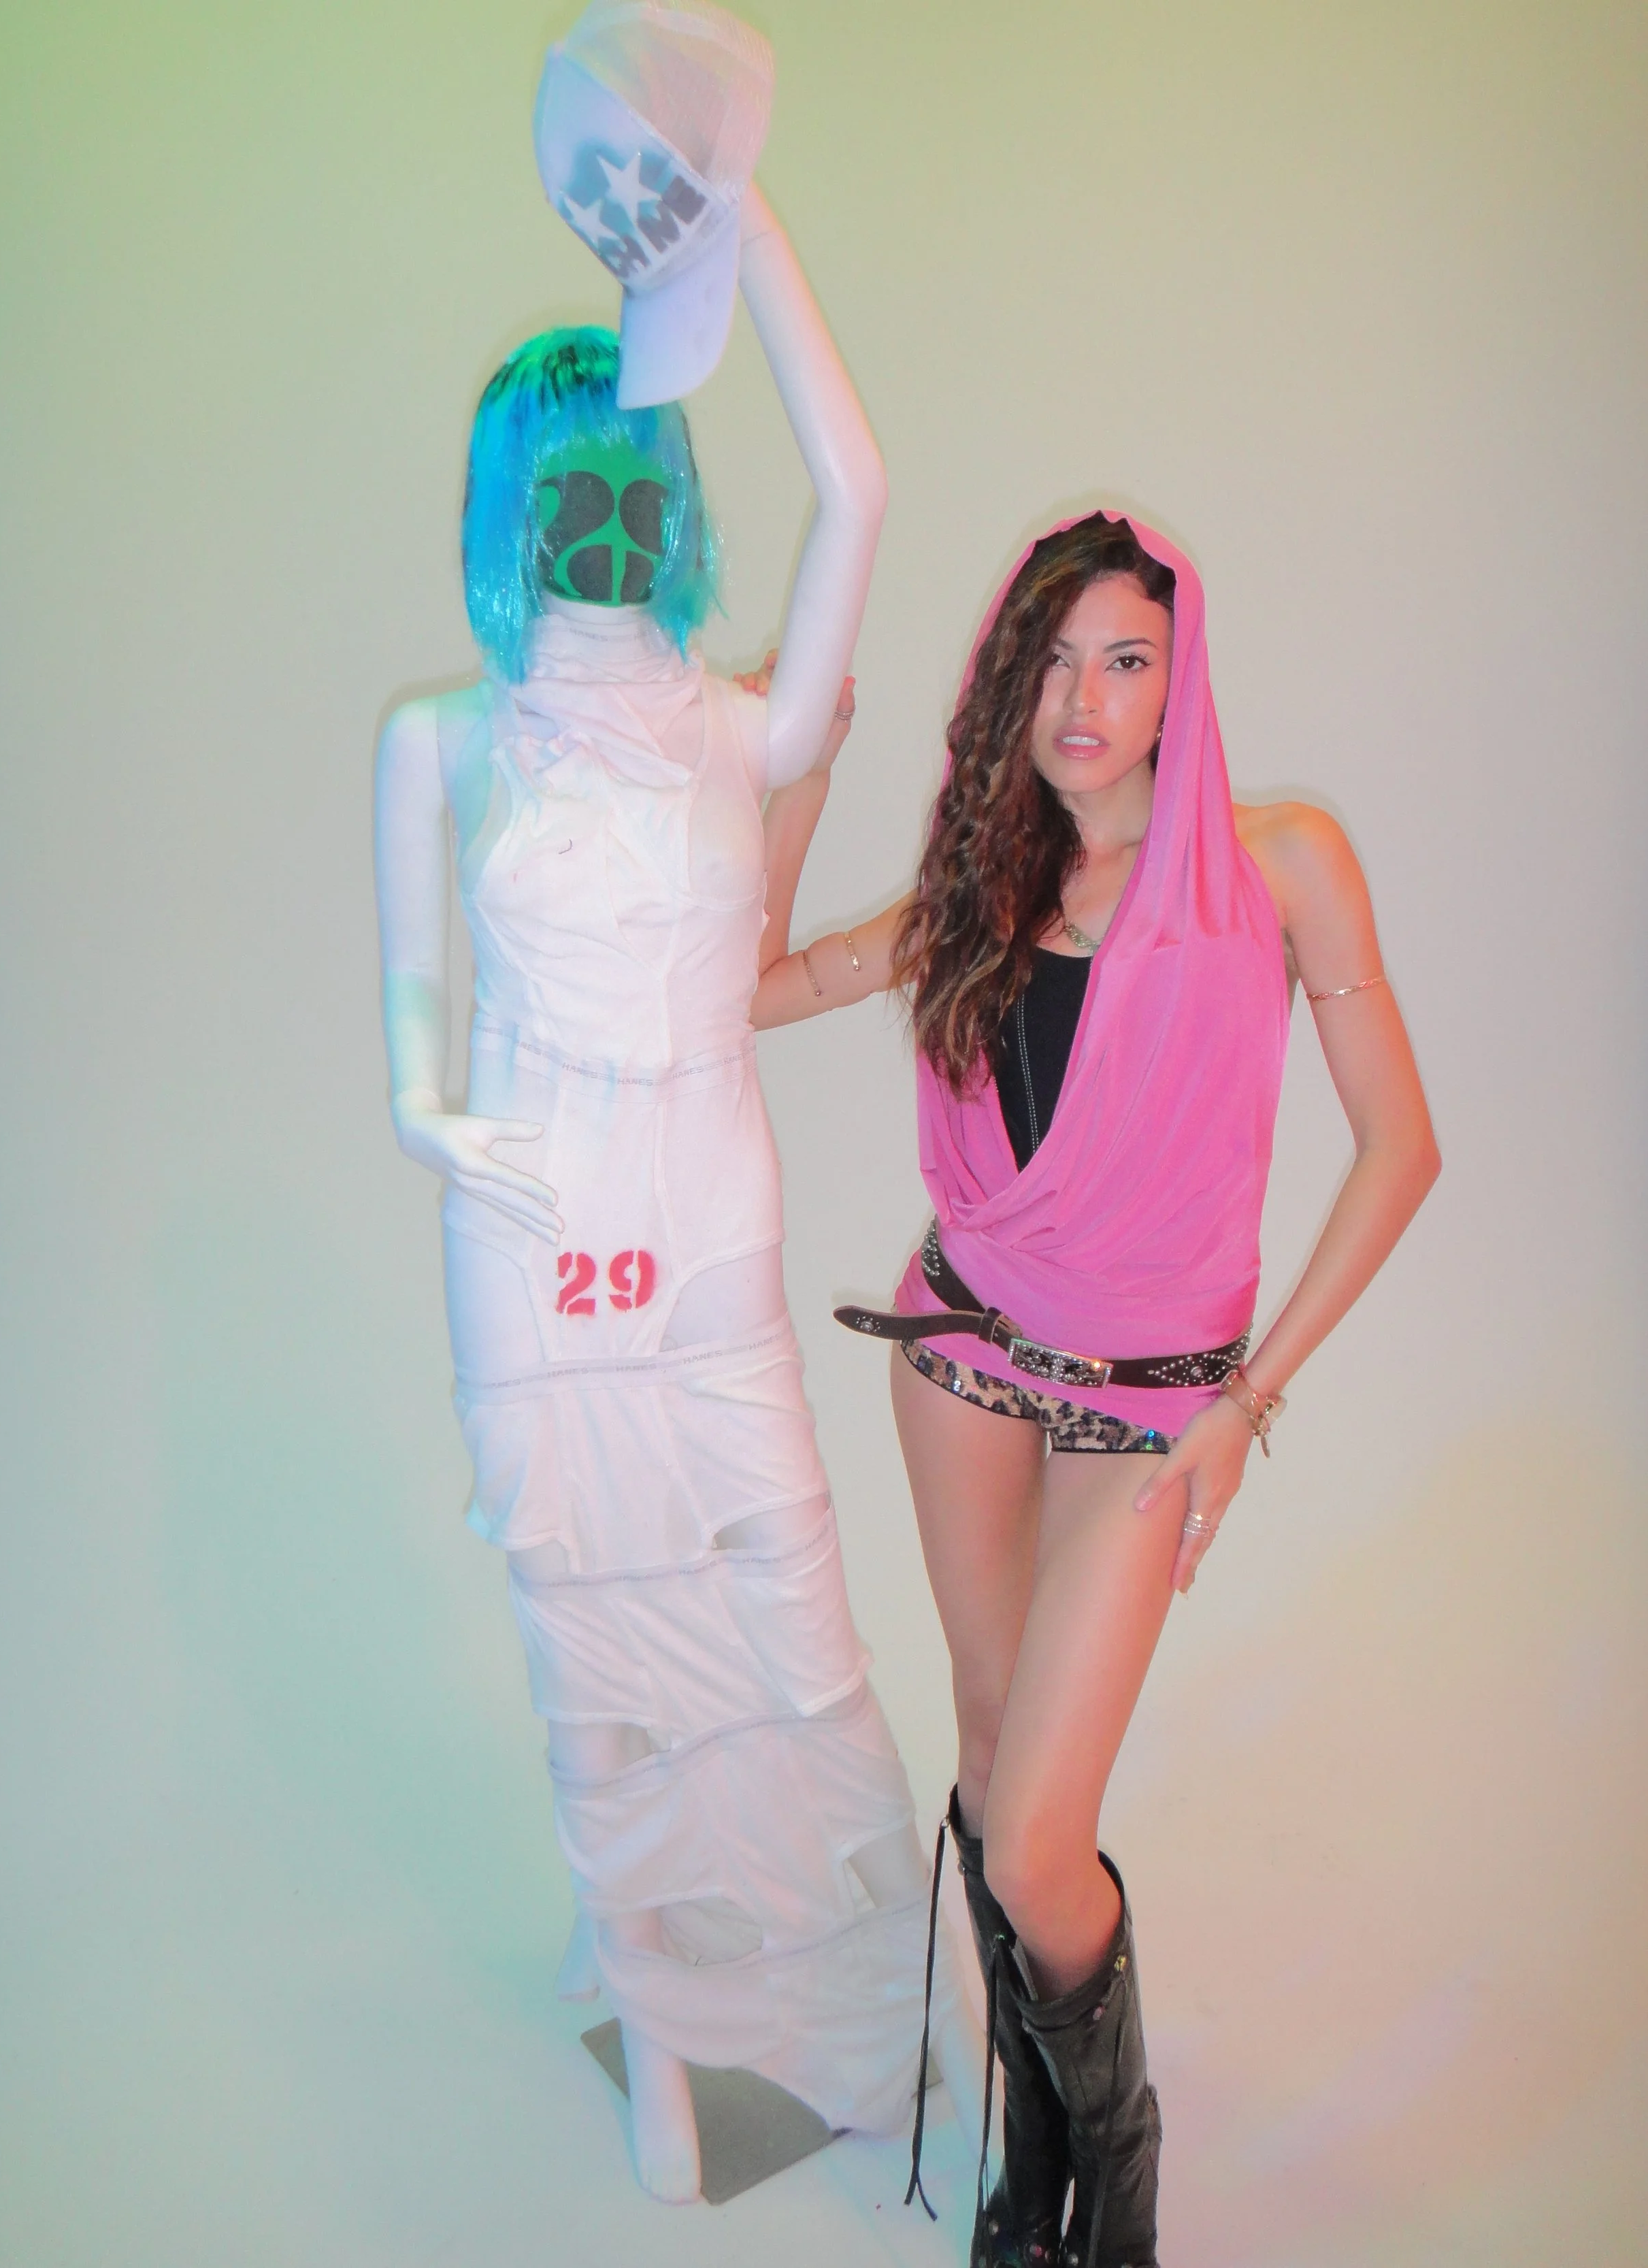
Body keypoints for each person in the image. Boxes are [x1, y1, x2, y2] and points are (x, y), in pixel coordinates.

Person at [373, 171, 980, 2207]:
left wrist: (748, 236)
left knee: (791, 1629)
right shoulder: (443, 743)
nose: (602, 524)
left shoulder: (743, 731)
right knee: (594, 1646)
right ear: (507, 514)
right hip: (535, 1228)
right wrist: (433, 1117)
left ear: (675, 504)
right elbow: (414, 1019)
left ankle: (856, 2016)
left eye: (633, 483)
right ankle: (656, 2020)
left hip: (703, 1209)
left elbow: (861, 487)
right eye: (565, 490)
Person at [751, 511, 1440, 2266]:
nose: (1085, 700)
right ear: (1010, 681)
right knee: (993, 1772)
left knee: (1039, 1842)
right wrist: (798, 772)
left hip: (1156, 1401)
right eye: (1053, 661)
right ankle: (1031, 2163)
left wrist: (1248, 1399)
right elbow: (748, 987)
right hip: (967, 1359)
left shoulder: (1279, 865)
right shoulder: (986, 892)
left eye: (1127, 660)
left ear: (1178, 680)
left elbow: (1401, 1150)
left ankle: (1114, 2172)